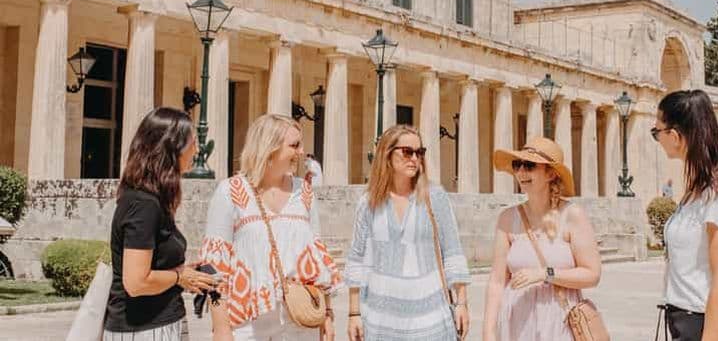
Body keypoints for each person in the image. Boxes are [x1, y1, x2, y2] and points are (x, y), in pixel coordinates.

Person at [201, 114, 340, 341]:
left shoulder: (304, 192)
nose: (301, 151)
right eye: (294, 145)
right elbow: (213, 266)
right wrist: (221, 328)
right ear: (270, 147)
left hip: (301, 318)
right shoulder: (230, 191)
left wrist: (327, 315)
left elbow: (318, 260)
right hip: (249, 324)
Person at [344, 124, 470, 341]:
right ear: (387, 154)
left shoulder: (435, 197)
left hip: (429, 320)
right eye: (407, 152)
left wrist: (461, 303)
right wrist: (354, 313)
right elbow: (356, 258)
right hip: (381, 320)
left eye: (419, 152)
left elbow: (452, 251)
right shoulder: (369, 203)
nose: (415, 158)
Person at [104, 107, 218, 340]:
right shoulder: (142, 203)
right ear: (172, 148)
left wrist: (184, 271)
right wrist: (180, 277)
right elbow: (136, 281)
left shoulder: (153, 200)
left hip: (160, 324)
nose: (196, 151)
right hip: (144, 328)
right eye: (193, 143)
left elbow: (154, 266)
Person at [654, 89, 718, 340]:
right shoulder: (697, 190)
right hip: (687, 323)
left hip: (715, 328)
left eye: (656, 132)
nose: (657, 139)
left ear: (675, 136)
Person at [483, 136, 601, 341]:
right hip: (517, 324)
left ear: (550, 173)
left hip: (559, 323)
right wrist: (488, 332)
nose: (520, 172)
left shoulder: (572, 215)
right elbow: (497, 280)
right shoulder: (507, 218)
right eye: (517, 165)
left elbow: (592, 274)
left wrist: (545, 274)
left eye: (529, 165)